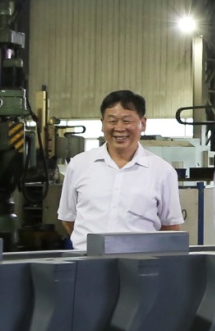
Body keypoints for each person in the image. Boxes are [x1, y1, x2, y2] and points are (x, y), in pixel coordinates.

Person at [58, 90, 184, 252]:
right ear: (102, 123)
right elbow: (68, 219)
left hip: (140, 262)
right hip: (88, 261)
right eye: (112, 121)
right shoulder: (79, 165)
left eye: (126, 121)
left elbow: (171, 227)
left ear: (143, 123)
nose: (119, 128)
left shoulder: (162, 171)